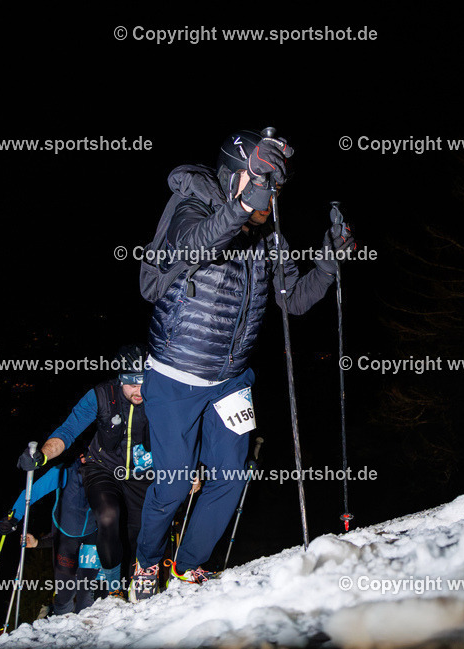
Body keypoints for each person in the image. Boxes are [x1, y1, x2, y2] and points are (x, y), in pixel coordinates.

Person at [131, 130, 354, 600]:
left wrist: (330, 262)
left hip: (230, 380)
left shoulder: (268, 234)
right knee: (172, 487)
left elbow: (292, 300)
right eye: (261, 185)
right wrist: (239, 206)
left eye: (273, 189)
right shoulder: (193, 205)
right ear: (236, 177)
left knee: (230, 478)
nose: (269, 199)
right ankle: (147, 561)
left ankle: (186, 566)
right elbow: (192, 248)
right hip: (175, 376)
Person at [19, 344, 153, 597]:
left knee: (137, 532)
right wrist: (42, 455)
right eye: (132, 384)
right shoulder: (101, 395)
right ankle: (114, 586)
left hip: (142, 475)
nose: (140, 391)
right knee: (108, 516)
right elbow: (68, 431)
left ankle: (136, 579)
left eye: (144, 383)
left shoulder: (161, 396)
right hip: (102, 468)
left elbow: (182, 435)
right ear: (120, 379)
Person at [0, 454, 100, 613]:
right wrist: (12, 518)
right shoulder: (63, 472)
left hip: (93, 534)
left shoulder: (107, 471)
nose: (88, 459)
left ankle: (85, 633)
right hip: (65, 535)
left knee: (86, 593)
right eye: (85, 455)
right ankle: (58, 619)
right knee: (65, 593)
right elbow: (33, 492)